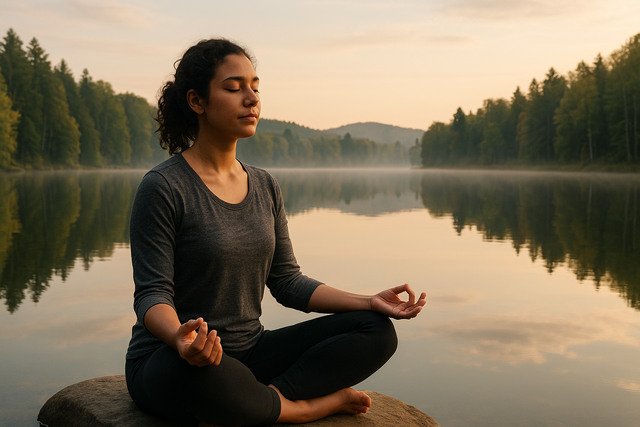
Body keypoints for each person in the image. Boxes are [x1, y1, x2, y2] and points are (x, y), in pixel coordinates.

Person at [125, 38, 427, 426]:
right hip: (173, 359)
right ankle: (304, 407)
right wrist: (180, 339)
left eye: (255, 87)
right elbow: (151, 295)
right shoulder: (164, 187)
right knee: (203, 373)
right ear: (197, 101)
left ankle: (264, 402)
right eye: (234, 88)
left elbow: (287, 281)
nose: (251, 98)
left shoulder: (265, 185)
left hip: (250, 351)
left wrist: (369, 301)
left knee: (376, 332)